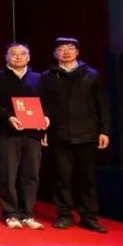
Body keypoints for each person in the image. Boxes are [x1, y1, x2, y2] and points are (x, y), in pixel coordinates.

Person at [39, 37, 110, 234]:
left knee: (87, 179)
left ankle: (90, 217)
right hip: (58, 134)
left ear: (78, 52)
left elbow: (103, 105)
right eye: (61, 48)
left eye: (71, 48)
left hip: (86, 135)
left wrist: (104, 131)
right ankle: (64, 215)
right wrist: (42, 130)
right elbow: (42, 106)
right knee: (61, 178)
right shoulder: (47, 77)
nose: (66, 51)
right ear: (55, 54)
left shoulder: (92, 75)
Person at [0, 42, 48, 230]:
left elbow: (49, 104)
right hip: (7, 133)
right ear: (6, 57)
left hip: (33, 134)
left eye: (22, 53)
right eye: (13, 54)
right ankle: (11, 213)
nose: (18, 57)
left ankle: (28, 214)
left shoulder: (39, 79)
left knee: (31, 175)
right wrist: (8, 117)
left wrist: (45, 122)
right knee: (7, 175)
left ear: (29, 57)